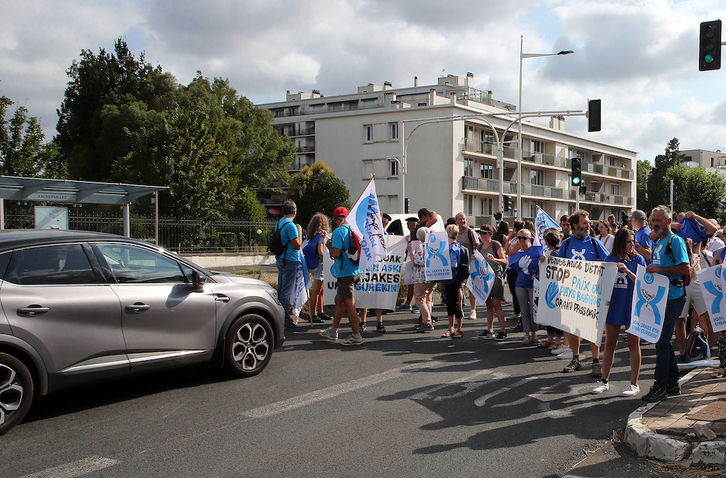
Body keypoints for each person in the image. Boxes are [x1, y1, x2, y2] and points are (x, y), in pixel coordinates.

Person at [641, 205, 689, 403]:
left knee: (661, 342)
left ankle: (660, 385)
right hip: (660, 299)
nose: (653, 224)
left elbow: (685, 268)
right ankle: (672, 382)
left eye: (658, 220)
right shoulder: (659, 242)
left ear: (669, 222)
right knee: (662, 342)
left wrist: (658, 269)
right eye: (652, 220)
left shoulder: (674, 241)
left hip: (674, 297)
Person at [591, 228, 645, 396]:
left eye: (633, 241)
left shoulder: (638, 259)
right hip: (613, 306)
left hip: (631, 306)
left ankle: (634, 384)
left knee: (633, 344)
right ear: (621, 243)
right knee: (610, 344)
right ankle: (604, 380)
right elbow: (600, 283)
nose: (633, 244)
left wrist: (627, 271)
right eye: (629, 241)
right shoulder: (610, 259)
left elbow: (643, 284)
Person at [558, 210, 609, 375]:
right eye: (585, 223)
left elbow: (609, 263)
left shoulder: (595, 243)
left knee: (592, 328)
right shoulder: (566, 244)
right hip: (571, 293)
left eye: (588, 222)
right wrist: (546, 261)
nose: (589, 225)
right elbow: (558, 265)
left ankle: (595, 361)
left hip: (591, 294)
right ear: (575, 226)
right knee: (573, 328)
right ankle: (575, 359)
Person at [319, 207, 364, 346]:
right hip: (356, 270)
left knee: (349, 305)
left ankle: (356, 336)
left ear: (336, 219)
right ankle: (333, 331)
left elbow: (336, 253)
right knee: (339, 300)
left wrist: (328, 246)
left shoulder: (339, 231)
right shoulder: (354, 229)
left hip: (345, 273)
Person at [475, 225, 508, 341]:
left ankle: (503, 330)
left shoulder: (495, 244)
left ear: (490, 234)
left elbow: (504, 261)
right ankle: (490, 329)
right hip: (484, 278)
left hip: (495, 277)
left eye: (484, 233)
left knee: (496, 304)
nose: (482, 235)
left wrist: (494, 259)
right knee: (488, 305)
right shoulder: (479, 247)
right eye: (481, 233)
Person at [509, 228, 541, 344]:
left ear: (529, 239)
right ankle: (527, 334)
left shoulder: (537, 251)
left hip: (533, 285)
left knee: (534, 311)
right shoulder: (517, 254)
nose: (522, 240)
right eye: (519, 238)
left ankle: (534, 333)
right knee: (524, 311)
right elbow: (510, 262)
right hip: (520, 284)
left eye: (524, 238)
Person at [275, 200, 303, 329]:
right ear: (295, 212)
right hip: (290, 260)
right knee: (286, 291)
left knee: (281, 289)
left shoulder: (279, 223)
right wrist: (300, 232)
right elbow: (297, 245)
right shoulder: (291, 226)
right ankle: (285, 319)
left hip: (281, 258)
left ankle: (279, 316)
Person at [303, 213, 331, 324]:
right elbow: (320, 251)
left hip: (312, 263)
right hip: (319, 264)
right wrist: (327, 260)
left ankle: (320, 312)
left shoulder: (310, 235)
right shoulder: (321, 235)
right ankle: (314, 313)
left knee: (321, 288)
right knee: (318, 289)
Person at [442, 224, 465, 339]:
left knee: (454, 303)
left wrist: (441, 267)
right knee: (451, 303)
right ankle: (451, 328)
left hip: (452, 278)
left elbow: (453, 265)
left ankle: (459, 329)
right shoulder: (454, 246)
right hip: (450, 278)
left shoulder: (452, 248)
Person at [410, 227, 436, 332]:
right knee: (428, 298)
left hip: (422, 276)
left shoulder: (420, 247)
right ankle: (427, 319)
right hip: (433, 276)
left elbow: (417, 262)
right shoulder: (434, 247)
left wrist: (410, 253)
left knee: (420, 299)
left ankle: (427, 321)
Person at [455, 212, 480, 319]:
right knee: (457, 287)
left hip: (468, 264)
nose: (463, 221)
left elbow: (477, 246)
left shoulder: (470, 232)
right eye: (460, 219)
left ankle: (473, 310)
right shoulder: (454, 232)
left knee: (471, 287)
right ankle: (459, 309)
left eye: (464, 219)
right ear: (456, 221)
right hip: (456, 264)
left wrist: (475, 255)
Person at [398, 216, 420, 312]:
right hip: (410, 260)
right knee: (410, 283)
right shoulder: (412, 233)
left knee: (415, 284)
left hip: (415, 261)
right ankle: (408, 303)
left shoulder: (416, 232)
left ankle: (417, 304)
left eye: (408, 223)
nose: (407, 225)